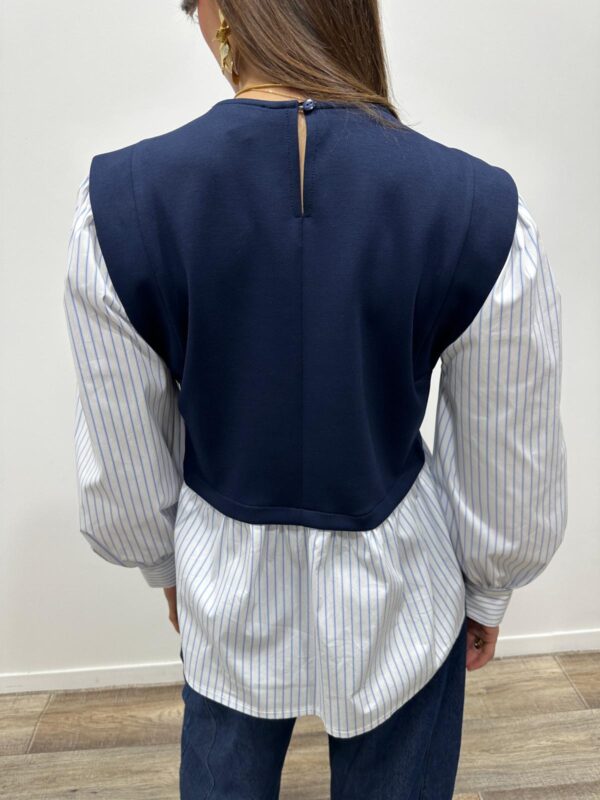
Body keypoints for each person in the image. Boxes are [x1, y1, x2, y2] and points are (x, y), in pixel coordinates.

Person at [62, 0, 568, 797]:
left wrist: (166, 565)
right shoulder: (477, 205)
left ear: (226, 13)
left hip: (225, 592)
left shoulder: (120, 204)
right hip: (404, 590)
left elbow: (124, 457)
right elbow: (509, 443)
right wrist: (490, 586)